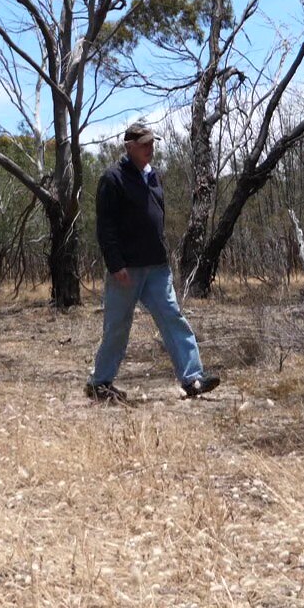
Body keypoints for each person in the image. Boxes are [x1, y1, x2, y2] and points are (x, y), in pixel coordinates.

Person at [85, 122, 221, 403]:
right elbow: (106, 226)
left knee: (172, 318)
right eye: (144, 143)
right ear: (129, 146)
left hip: (157, 267)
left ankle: (192, 378)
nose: (151, 147)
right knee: (118, 326)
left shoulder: (154, 176)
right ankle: (100, 383)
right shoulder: (113, 178)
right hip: (126, 269)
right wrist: (115, 264)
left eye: (152, 143)